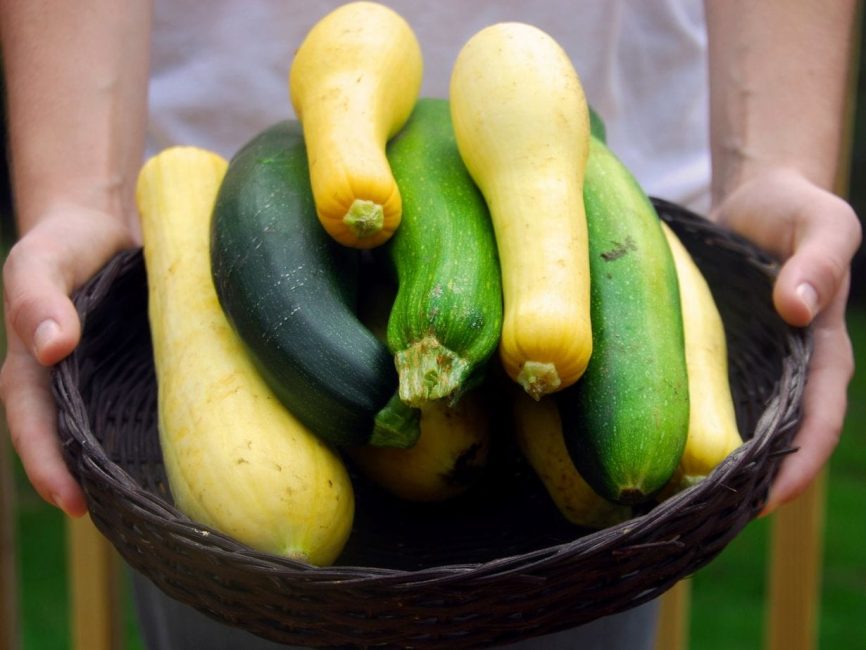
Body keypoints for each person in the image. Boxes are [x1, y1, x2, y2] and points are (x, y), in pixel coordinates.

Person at [0, 1, 861, 648]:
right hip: (222, 189)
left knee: (599, 522)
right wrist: (80, 194)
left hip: (597, 197)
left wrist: (773, 163)